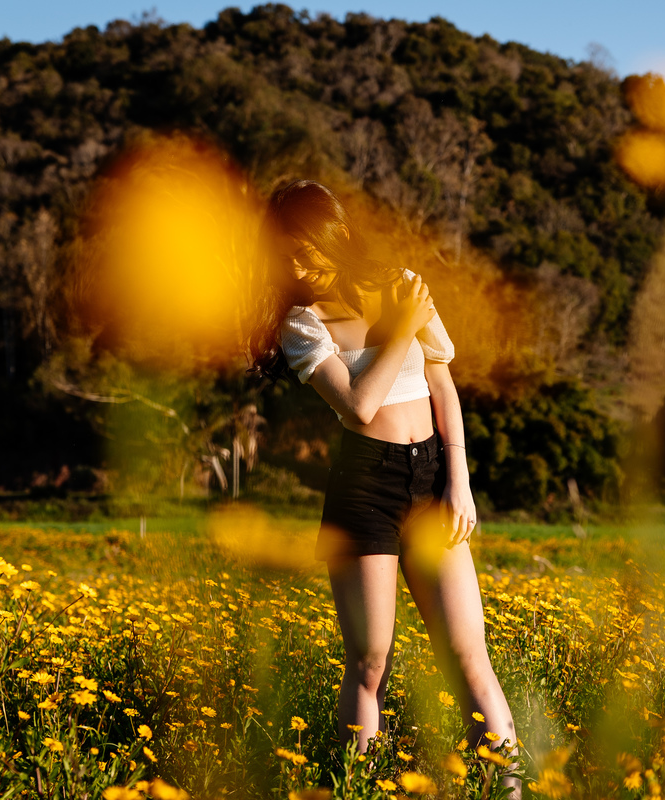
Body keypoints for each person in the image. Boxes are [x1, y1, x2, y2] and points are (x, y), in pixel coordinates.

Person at [249, 180, 519, 783]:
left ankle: (511, 788)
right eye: (282, 254)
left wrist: (460, 480)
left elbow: (442, 384)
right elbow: (359, 407)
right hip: (364, 485)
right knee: (370, 660)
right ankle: (356, 787)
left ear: (333, 235)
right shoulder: (302, 324)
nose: (294, 265)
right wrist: (399, 328)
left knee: (467, 652)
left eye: (302, 248)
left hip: (433, 475)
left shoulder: (402, 283)